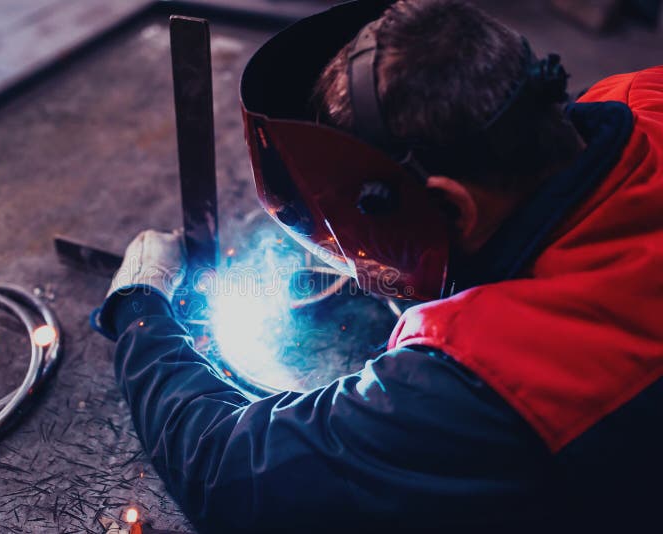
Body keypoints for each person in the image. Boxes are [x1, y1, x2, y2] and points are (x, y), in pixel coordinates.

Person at [92, 0, 663, 532]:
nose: (362, 273)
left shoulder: (485, 378)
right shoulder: (641, 92)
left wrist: (141, 308)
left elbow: (228, 470)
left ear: (452, 208)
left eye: (358, 253)